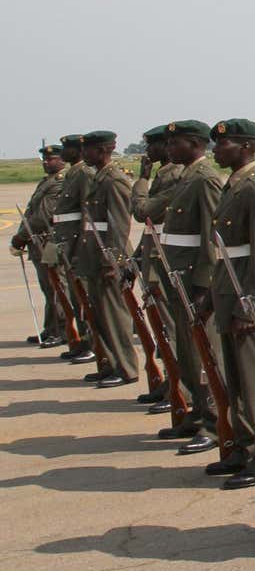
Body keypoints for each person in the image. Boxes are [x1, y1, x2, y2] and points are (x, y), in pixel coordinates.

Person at [207, 118, 255, 490]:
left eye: (224, 145)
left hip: (247, 301)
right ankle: (244, 445)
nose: (216, 151)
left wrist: (248, 306)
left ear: (248, 147)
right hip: (229, 291)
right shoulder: (234, 185)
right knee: (236, 384)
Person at [151, 120, 225, 455]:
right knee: (186, 351)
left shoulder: (204, 179)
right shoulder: (185, 177)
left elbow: (212, 238)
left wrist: (203, 285)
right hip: (178, 278)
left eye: (175, 142)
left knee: (203, 353)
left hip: (194, 279)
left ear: (195, 143)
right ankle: (197, 413)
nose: (169, 148)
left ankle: (213, 422)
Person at [76, 130, 140, 388]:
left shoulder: (114, 180)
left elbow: (119, 224)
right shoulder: (98, 178)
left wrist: (112, 261)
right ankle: (111, 363)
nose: (84, 155)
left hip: (109, 257)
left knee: (115, 315)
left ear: (103, 150)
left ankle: (126, 367)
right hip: (95, 253)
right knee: (100, 314)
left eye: (88, 150)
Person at [132, 124, 180, 408]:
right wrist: (138, 254)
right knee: (162, 326)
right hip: (154, 256)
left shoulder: (173, 176)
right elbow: (150, 226)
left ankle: (179, 387)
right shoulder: (167, 174)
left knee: (171, 328)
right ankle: (172, 382)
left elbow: (142, 212)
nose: (148, 152)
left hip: (166, 260)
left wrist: (141, 179)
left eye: (153, 145)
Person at [11, 144, 67, 347]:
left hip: (49, 241)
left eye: (51, 158)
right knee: (47, 287)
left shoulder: (59, 183)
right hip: (38, 241)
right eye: (44, 158)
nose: (46, 162)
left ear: (62, 160)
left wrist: (20, 236)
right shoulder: (47, 181)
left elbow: (42, 217)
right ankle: (51, 328)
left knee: (56, 286)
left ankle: (62, 329)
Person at [51, 133, 98, 367]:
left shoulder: (84, 174)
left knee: (84, 296)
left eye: (67, 148)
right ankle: (81, 340)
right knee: (74, 293)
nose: (62, 152)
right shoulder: (73, 173)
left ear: (78, 150)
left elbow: (86, 213)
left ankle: (90, 343)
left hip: (78, 241)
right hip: (67, 241)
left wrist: (82, 246)